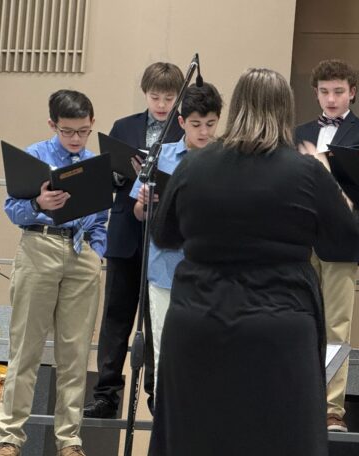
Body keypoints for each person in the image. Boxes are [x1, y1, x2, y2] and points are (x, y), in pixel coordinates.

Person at [147, 68, 359, 455]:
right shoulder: (307, 171)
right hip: (277, 329)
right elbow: (346, 240)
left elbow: (163, 234)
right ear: (285, 110)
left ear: (236, 107)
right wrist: (329, 177)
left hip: (198, 323)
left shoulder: (193, 165)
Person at [0, 90, 107, 456]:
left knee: (75, 353)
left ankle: (69, 441)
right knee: (25, 349)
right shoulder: (34, 155)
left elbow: (104, 218)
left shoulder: (95, 162)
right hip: (39, 245)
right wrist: (37, 202)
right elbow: (12, 209)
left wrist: (97, 250)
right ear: (52, 125)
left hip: (82, 253)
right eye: (68, 131)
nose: (76, 138)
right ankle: (10, 436)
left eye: (83, 130)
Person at [84, 62, 185, 419]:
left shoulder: (185, 129)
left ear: (179, 98)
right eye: (155, 96)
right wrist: (116, 173)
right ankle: (106, 392)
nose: (161, 104)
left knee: (159, 314)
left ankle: (158, 392)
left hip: (166, 233)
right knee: (115, 313)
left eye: (169, 97)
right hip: (127, 228)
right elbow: (107, 181)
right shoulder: (124, 127)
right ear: (145, 94)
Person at [295, 59, 359, 432]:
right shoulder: (298, 131)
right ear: (315, 92)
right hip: (301, 238)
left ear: (353, 92)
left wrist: (322, 167)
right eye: (325, 92)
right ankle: (298, 400)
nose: (331, 99)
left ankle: (332, 409)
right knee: (299, 323)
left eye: (339, 92)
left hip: (342, 238)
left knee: (337, 327)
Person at [129, 82, 223, 396]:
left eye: (210, 124)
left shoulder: (227, 159)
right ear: (181, 122)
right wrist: (144, 200)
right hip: (165, 270)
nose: (204, 132)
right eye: (196, 125)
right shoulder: (159, 156)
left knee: (207, 354)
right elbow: (138, 214)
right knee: (165, 353)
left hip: (211, 273)